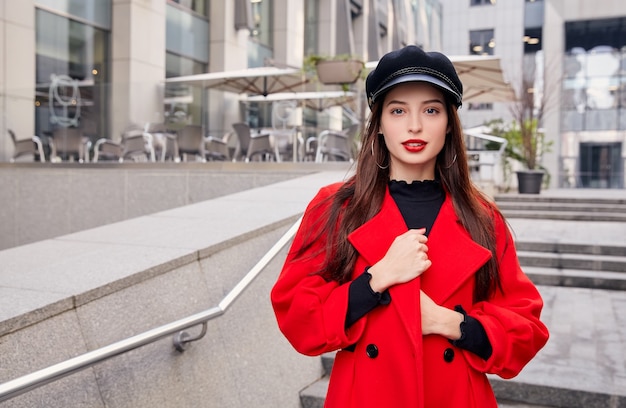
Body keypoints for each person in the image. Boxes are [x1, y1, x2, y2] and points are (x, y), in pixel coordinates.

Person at [270, 45, 549, 407]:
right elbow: (297, 315)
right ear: (380, 125)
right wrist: (377, 278)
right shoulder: (336, 207)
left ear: (449, 124)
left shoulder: (481, 216)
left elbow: (526, 328)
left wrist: (450, 323)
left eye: (431, 110)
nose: (414, 125)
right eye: (397, 110)